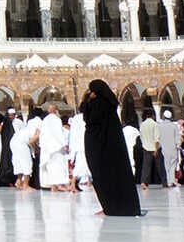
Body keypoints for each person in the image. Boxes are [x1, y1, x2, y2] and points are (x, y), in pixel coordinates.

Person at [80, 80, 142, 217]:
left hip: (99, 147)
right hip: (114, 148)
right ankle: (123, 207)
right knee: (118, 176)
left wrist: (87, 101)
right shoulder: (110, 103)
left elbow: (88, 119)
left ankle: (109, 207)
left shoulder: (97, 103)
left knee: (102, 177)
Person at [37, 105, 70, 191]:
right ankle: (60, 185)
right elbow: (58, 133)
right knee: (59, 166)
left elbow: (42, 135)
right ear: (56, 111)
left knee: (50, 167)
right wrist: (64, 144)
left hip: (47, 148)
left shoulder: (45, 120)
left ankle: (53, 186)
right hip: (56, 147)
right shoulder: (56, 119)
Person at [137, 112, 162, 188]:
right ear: (153, 116)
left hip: (145, 147)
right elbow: (156, 139)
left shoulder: (142, 125)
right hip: (154, 148)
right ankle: (165, 183)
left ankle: (144, 182)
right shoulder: (155, 124)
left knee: (146, 167)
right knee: (160, 166)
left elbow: (141, 137)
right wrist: (156, 150)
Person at [157, 109, 181, 187]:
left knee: (166, 165)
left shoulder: (159, 126)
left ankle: (168, 181)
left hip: (164, 148)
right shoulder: (174, 126)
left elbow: (158, 137)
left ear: (163, 116)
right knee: (173, 165)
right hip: (173, 148)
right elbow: (177, 137)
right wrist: (178, 146)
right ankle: (172, 180)